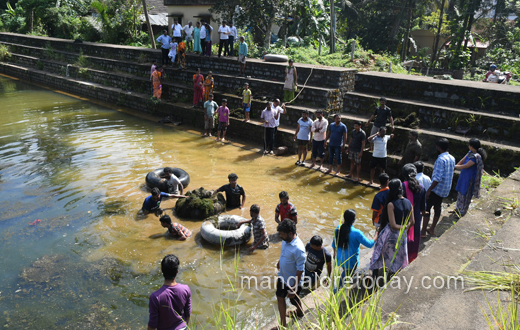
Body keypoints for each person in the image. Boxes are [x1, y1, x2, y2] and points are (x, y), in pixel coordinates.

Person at [369, 178, 414, 278]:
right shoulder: (409, 203)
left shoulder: (391, 204)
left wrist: (402, 227)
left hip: (391, 234)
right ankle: (391, 276)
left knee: (378, 253)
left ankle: (374, 277)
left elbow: (393, 225)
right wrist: (406, 227)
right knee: (397, 256)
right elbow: (413, 221)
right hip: (402, 235)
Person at [421, 138, 455, 238]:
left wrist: (429, 190)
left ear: (438, 148)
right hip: (445, 189)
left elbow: (437, 178)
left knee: (427, 209)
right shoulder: (452, 158)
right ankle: (432, 229)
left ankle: (423, 232)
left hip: (437, 189)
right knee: (438, 207)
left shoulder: (440, 159)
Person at [333, 209, 375, 290]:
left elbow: (334, 244)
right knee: (345, 276)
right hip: (350, 261)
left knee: (345, 271)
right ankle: (336, 290)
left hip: (339, 258)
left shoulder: (338, 228)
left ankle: (341, 283)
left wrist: (335, 255)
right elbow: (369, 244)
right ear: (354, 219)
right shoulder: (357, 232)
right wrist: (375, 236)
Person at [147, 254, 191, 330]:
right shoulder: (185, 289)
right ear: (177, 271)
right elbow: (188, 312)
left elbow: (153, 323)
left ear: (162, 271)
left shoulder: (155, 297)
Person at [275, 219, 306, 326]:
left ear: (291, 233)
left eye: (282, 234)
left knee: (293, 300)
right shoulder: (285, 240)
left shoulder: (299, 249)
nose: (280, 236)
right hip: (283, 276)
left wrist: (294, 287)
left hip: (293, 280)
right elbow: (284, 252)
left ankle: (300, 311)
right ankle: (283, 324)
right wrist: (280, 262)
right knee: (280, 297)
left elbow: (300, 270)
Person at [453, 138, 487, 217]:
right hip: (464, 176)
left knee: (466, 194)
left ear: (471, 146)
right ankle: (458, 208)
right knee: (460, 192)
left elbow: (466, 166)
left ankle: (462, 212)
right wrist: (454, 167)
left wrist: (453, 166)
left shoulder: (476, 157)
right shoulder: (470, 153)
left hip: (470, 178)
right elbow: (462, 160)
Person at [401, 164, 426, 263]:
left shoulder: (402, 186)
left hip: (404, 215)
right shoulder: (422, 187)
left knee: (403, 236)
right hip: (416, 215)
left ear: (403, 174)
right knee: (415, 236)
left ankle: (402, 259)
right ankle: (411, 258)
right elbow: (423, 206)